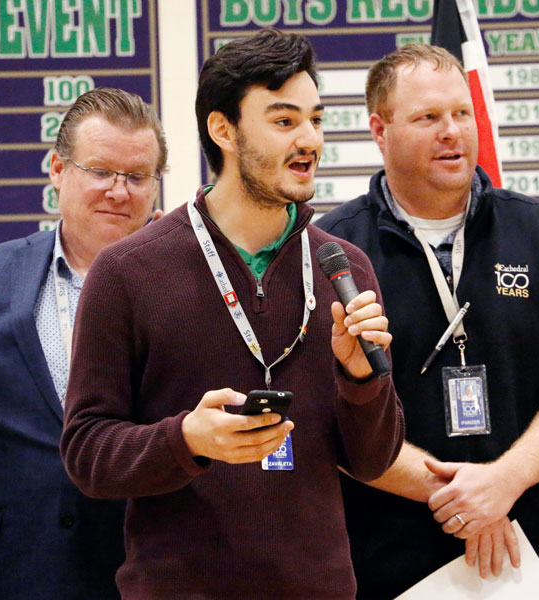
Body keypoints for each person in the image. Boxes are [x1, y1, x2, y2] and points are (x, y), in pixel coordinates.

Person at [60, 29, 404, 600]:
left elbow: (373, 461)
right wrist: (186, 439)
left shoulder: (344, 267)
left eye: (316, 120)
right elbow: (87, 452)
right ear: (224, 130)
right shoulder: (127, 272)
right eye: (285, 121)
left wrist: (362, 378)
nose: (309, 140)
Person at [317, 43, 539, 599]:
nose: (452, 131)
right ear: (379, 131)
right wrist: (461, 497)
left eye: (461, 112)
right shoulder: (331, 253)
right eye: (428, 117)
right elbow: (324, 417)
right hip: (391, 564)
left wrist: (503, 482)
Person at [0, 87, 166, 599]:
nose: (118, 191)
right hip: (6, 573)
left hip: (140, 573)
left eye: (137, 177)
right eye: (99, 171)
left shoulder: (184, 291)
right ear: (56, 169)